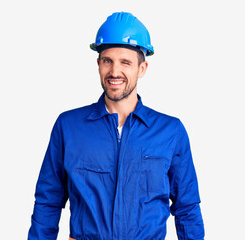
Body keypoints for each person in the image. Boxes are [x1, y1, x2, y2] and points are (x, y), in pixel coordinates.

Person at [28, 12, 205, 240]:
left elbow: (187, 207)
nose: (114, 72)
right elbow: (47, 201)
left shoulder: (170, 131)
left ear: (142, 68)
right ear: (98, 64)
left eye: (125, 62)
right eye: (107, 61)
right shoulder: (68, 127)